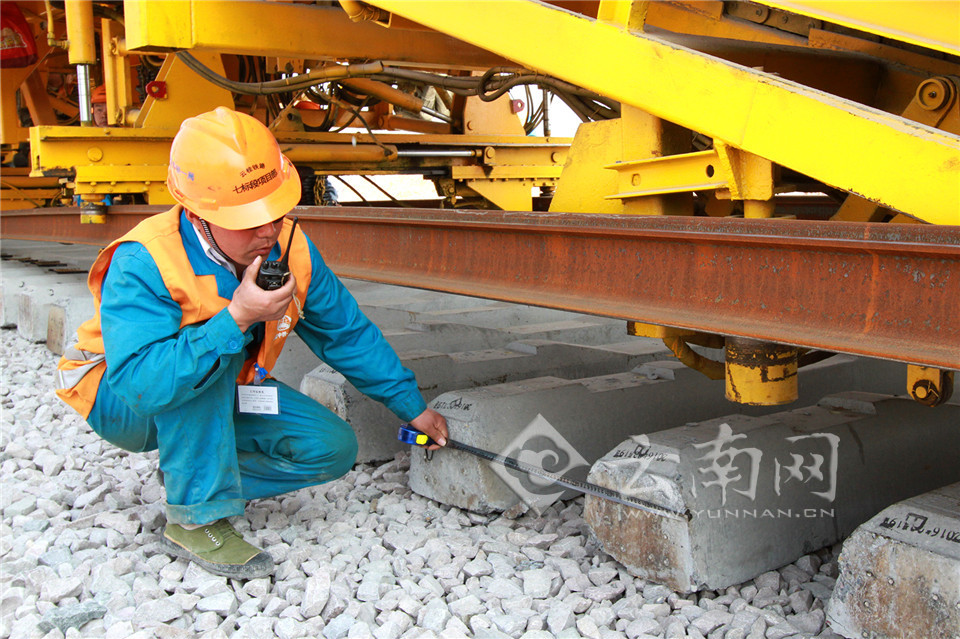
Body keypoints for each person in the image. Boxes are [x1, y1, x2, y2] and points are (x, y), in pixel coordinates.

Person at [55, 107, 448, 579]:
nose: (267, 231)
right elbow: (143, 385)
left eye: (274, 213)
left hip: (222, 386)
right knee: (209, 358)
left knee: (331, 447)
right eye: (248, 219)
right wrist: (238, 316)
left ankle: (192, 474)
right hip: (121, 398)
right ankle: (195, 519)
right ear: (199, 213)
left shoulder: (291, 248)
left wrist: (412, 407)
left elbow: (346, 332)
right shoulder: (145, 260)